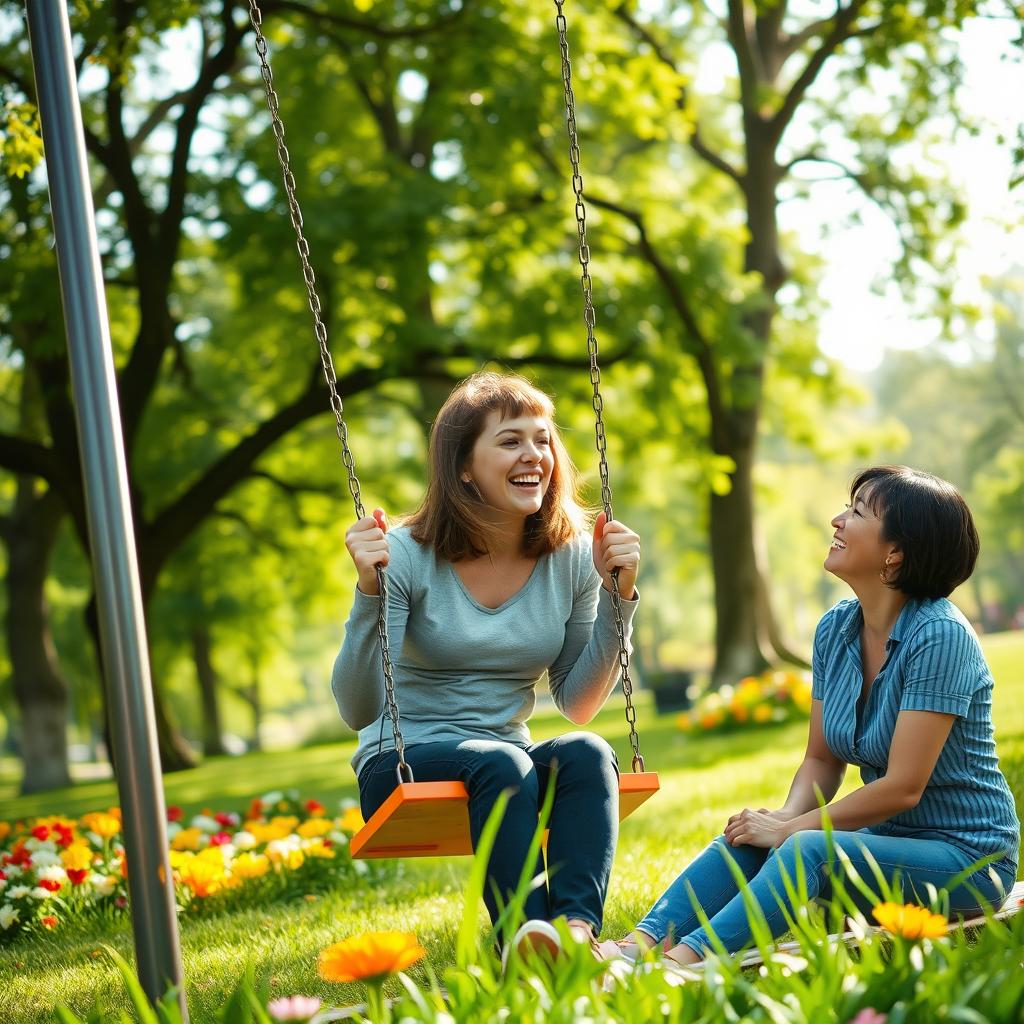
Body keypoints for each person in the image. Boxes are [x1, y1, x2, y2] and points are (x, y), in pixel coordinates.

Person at [600, 466, 1019, 967]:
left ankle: (683, 964)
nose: (839, 520)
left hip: (968, 860)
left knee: (804, 849)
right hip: (887, 847)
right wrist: (783, 817)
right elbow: (822, 759)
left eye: (860, 512)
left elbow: (904, 786)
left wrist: (794, 832)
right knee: (748, 835)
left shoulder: (940, 636)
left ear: (896, 552)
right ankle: (631, 950)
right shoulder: (836, 629)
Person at [332, 370, 641, 958]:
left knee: (589, 752)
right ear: (464, 467)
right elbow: (357, 707)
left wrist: (617, 599)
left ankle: (573, 937)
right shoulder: (404, 556)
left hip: (505, 762)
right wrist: (369, 593)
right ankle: (520, 941)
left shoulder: (573, 556)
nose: (535, 455)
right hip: (400, 764)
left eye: (543, 438)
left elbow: (578, 705)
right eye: (510, 440)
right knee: (499, 759)